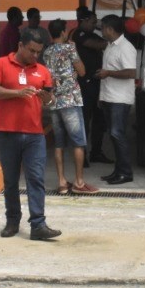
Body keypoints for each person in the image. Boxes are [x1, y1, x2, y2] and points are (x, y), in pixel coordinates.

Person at [0, 28, 61, 240]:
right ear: (20, 45)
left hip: (34, 134)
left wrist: (48, 99)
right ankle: (12, 221)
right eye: (31, 51)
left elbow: (50, 100)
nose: (35, 56)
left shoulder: (42, 71)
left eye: (39, 52)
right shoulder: (1, 64)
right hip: (7, 132)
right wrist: (16, 93)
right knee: (10, 181)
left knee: (36, 179)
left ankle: (38, 224)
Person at [44, 19, 99, 195]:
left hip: (54, 101)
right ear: (62, 32)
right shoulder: (69, 48)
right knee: (78, 142)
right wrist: (74, 71)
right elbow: (82, 71)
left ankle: (61, 183)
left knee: (59, 143)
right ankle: (79, 182)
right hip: (70, 100)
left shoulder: (46, 51)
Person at [97, 14, 137, 185]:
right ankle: (118, 171)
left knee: (117, 134)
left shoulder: (126, 48)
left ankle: (126, 172)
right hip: (109, 96)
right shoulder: (110, 46)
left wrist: (108, 73)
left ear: (110, 29)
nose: (101, 31)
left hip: (120, 99)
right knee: (113, 135)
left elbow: (131, 73)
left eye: (103, 27)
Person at [73, 7, 110, 165]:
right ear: (85, 21)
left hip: (98, 83)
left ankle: (97, 152)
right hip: (85, 84)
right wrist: (111, 38)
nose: (96, 25)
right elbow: (97, 45)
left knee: (100, 119)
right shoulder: (78, 34)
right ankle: (83, 155)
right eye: (94, 22)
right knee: (85, 120)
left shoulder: (93, 34)